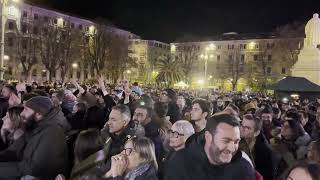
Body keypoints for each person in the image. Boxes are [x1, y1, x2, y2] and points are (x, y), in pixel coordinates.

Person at [164, 113, 256, 180]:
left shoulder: (243, 167)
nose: (232, 148)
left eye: (236, 142)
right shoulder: (180, 162)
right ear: (208, 137)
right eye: (226, 141)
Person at [0, 96, 69, 179]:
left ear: (39, 114)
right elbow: (14, 151)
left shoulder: (53, 132)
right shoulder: (35, 126)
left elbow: (34, 169)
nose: (21, 113)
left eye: (26, 110)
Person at [239, 114, 280, 180]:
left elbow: (268, 177)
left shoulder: (266, 153)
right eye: (242, 125)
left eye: (247, 128)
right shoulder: (238, 140)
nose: (242, 129)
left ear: (257, 132)